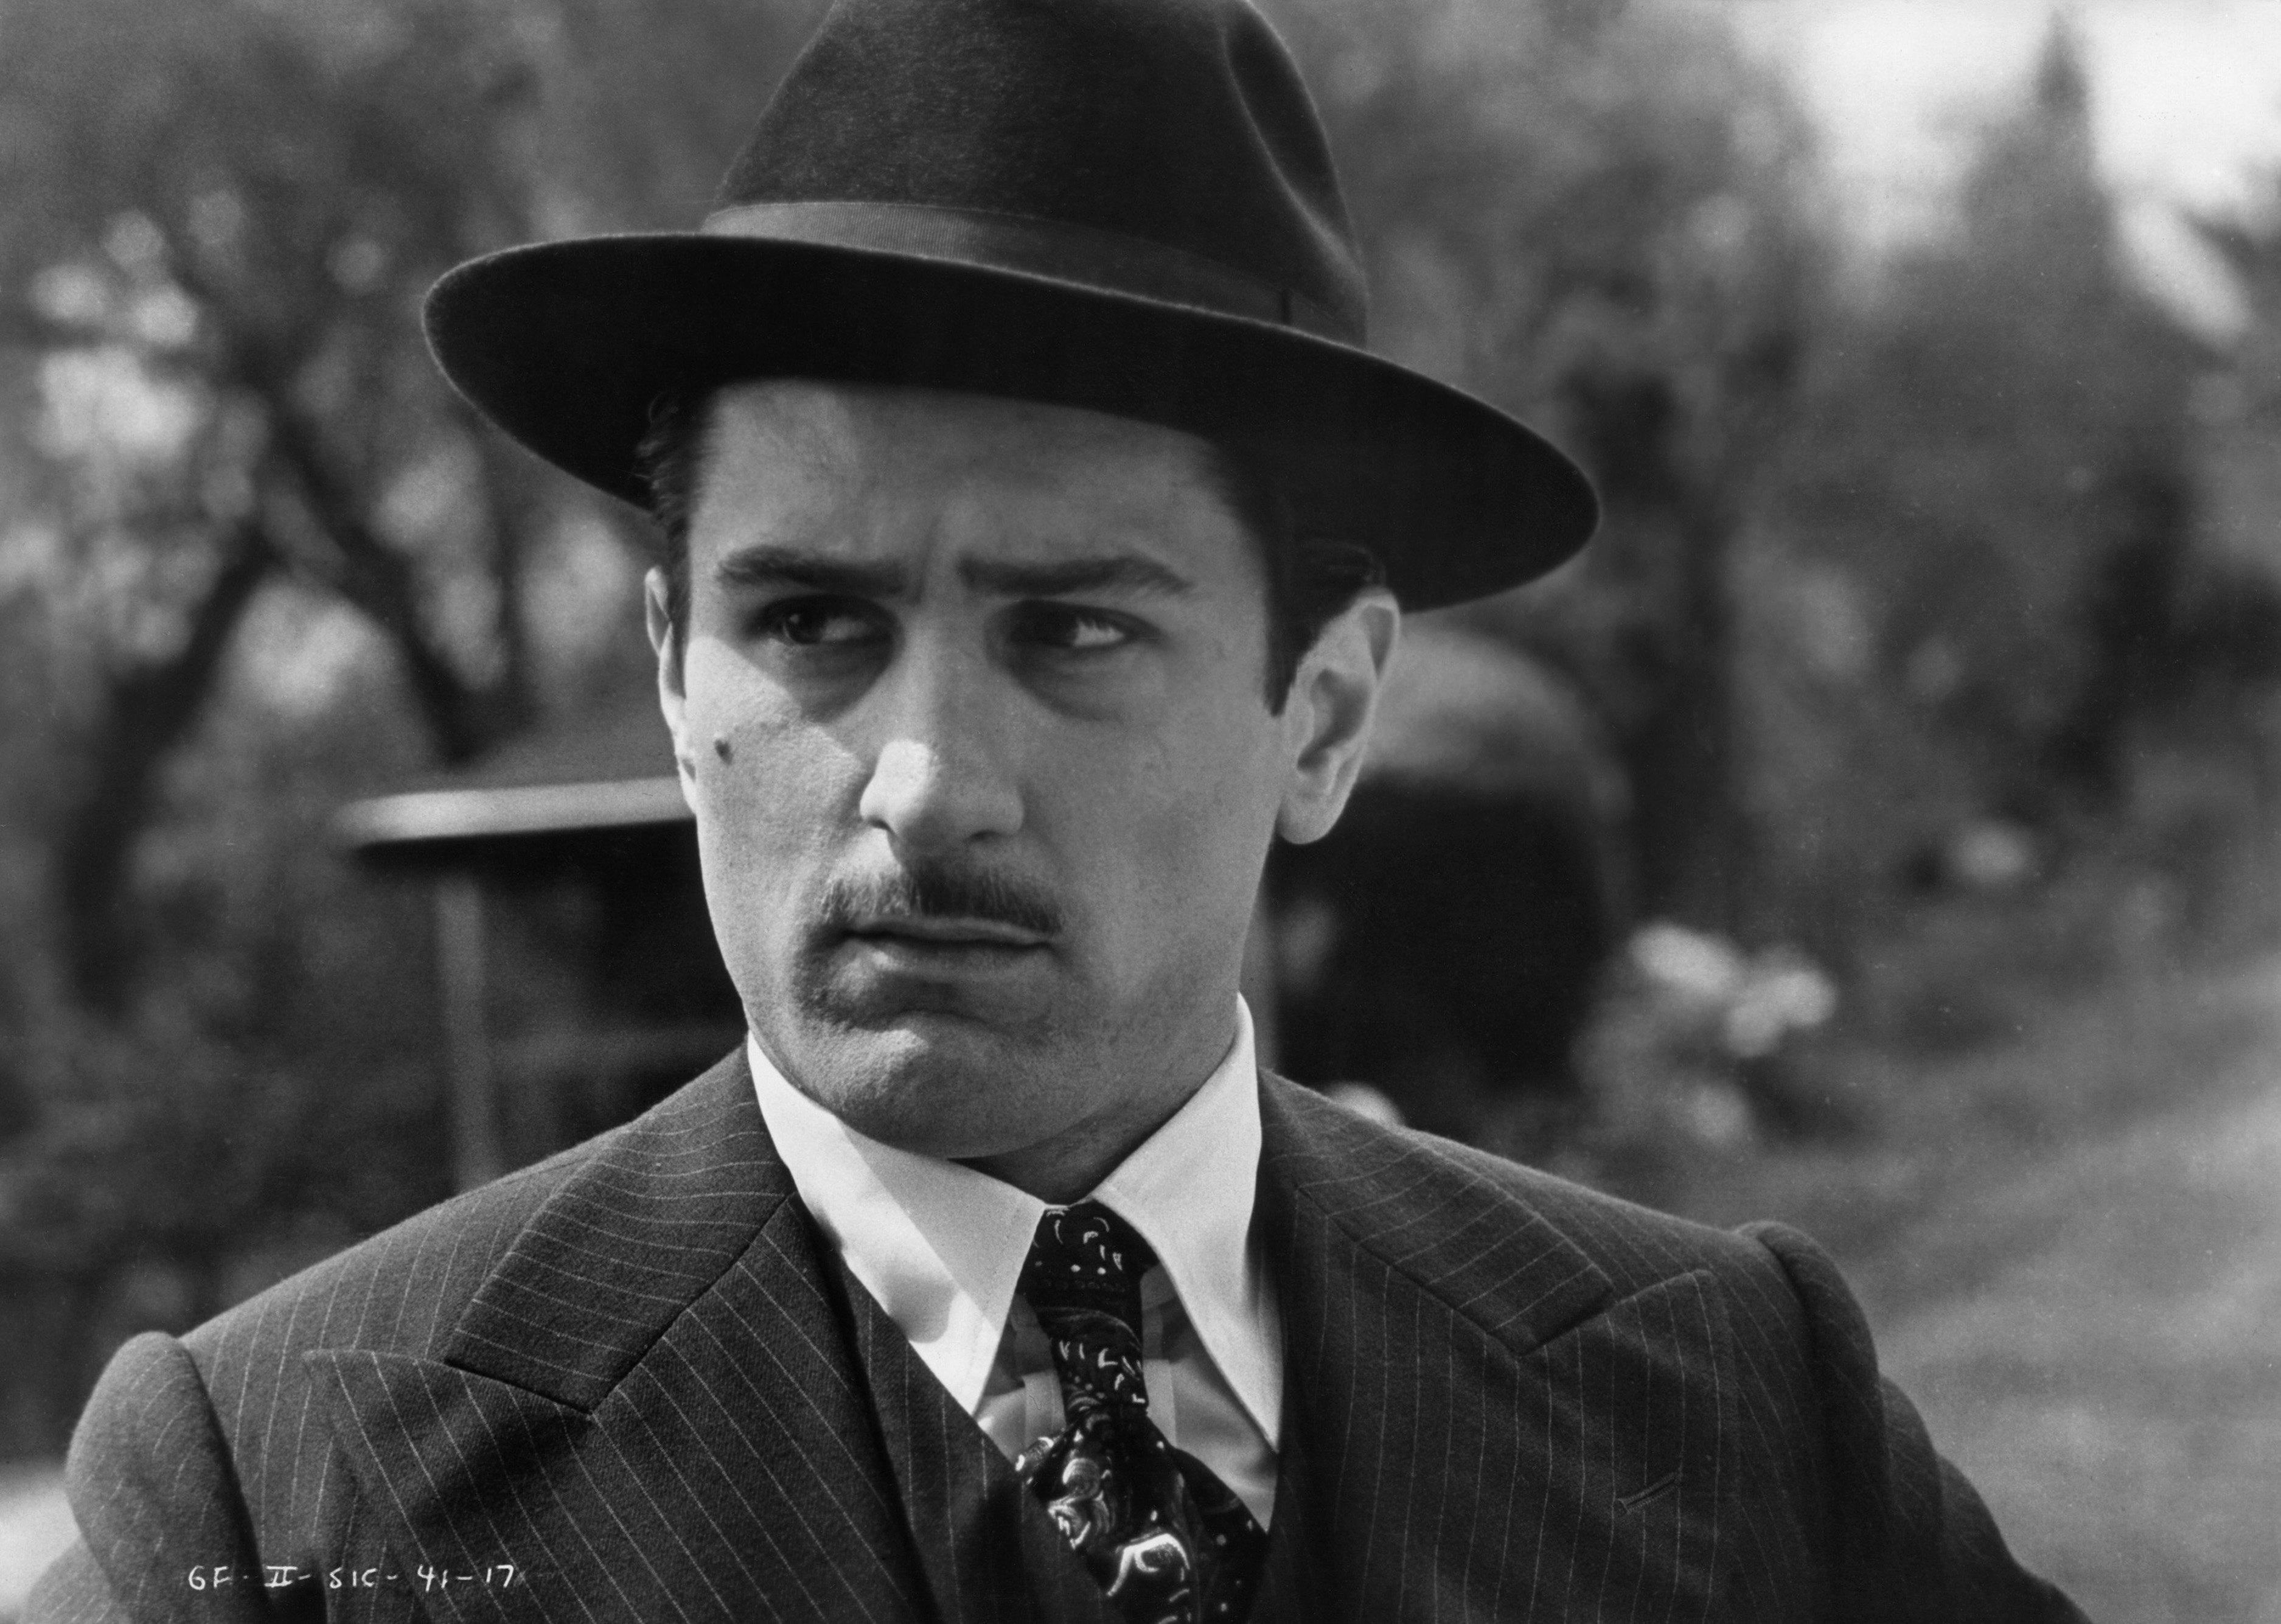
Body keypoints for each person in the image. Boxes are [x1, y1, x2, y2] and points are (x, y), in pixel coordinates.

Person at [32, 0, 2088, 1619]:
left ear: (1327, 713)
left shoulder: (1724, 1404)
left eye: (1074, 633)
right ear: (674, 672)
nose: (922, 786)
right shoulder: (280, 1499)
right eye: (814, 620)